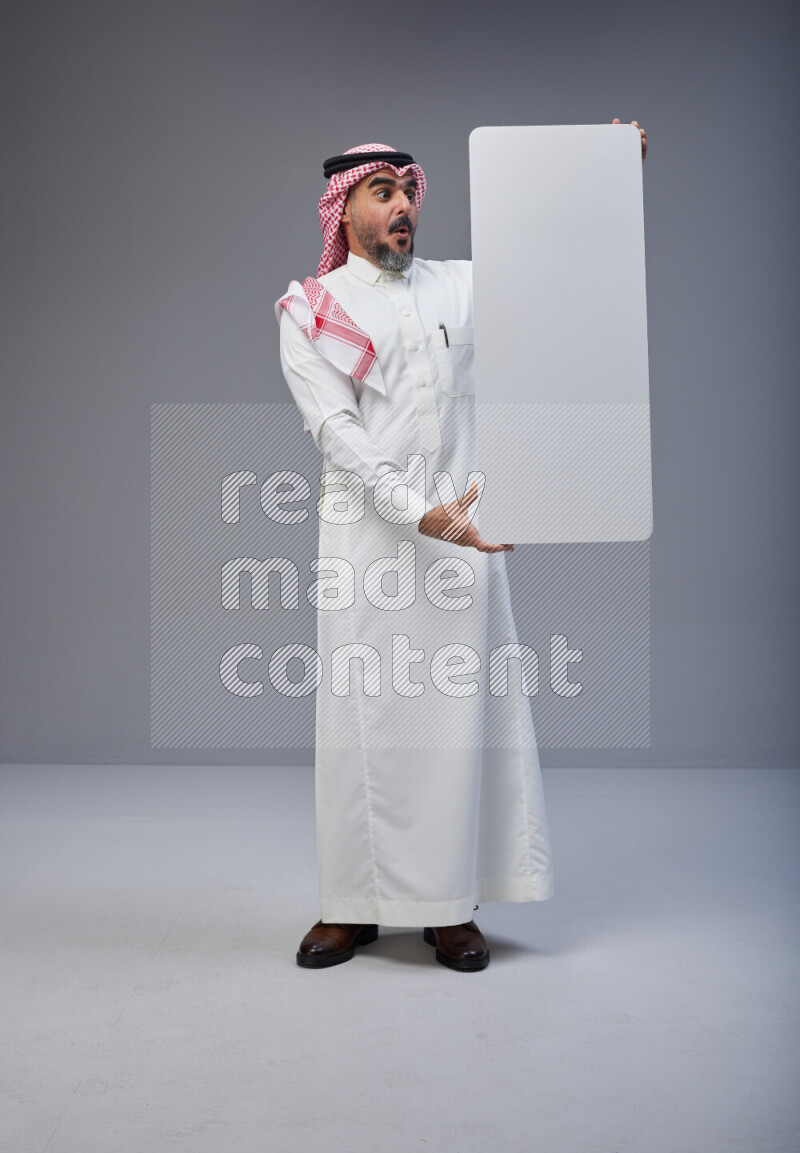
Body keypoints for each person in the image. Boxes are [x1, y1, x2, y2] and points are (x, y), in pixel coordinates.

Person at [276, 122, 647, 972]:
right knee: (363, 731)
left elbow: (560, 273)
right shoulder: (312, 308)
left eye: (408, 191)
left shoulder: (464, 286)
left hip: (464, 543)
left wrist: (606, 174)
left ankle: (450, 909)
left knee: (457, 732)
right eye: (383, 193)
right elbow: (338, 433)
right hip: (369, 549)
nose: (403, 206)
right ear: (344, 208)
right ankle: (351, 905)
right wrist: (423, 514)